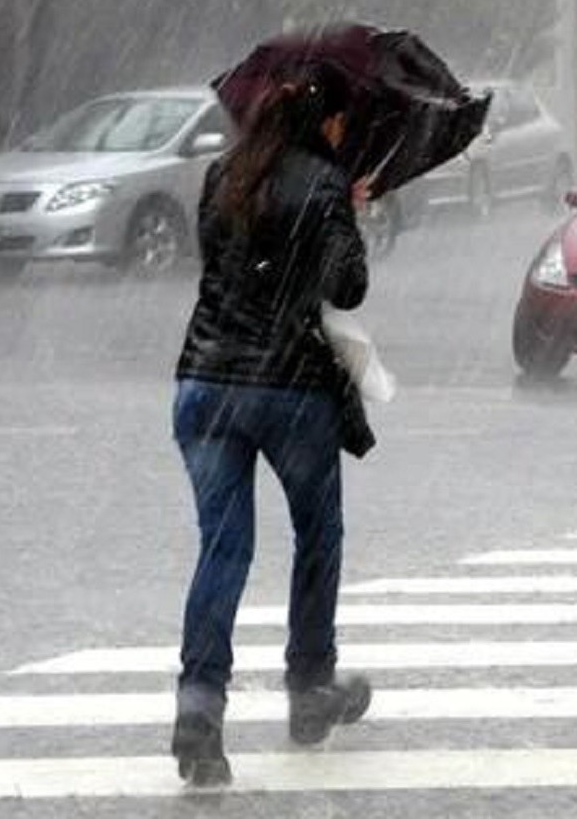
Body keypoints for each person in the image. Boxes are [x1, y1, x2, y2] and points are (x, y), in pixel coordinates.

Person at [169, 59, 374, 787]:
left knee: (222, 550)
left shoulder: (222, 175)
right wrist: (348, 210)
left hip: (204, 383)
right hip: (289, 390)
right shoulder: (322, 183)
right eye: (344, 121)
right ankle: (310, 688)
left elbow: (223, 267)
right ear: (327, 120)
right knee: (317, 535)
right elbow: (345, 285)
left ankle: (199, 709)